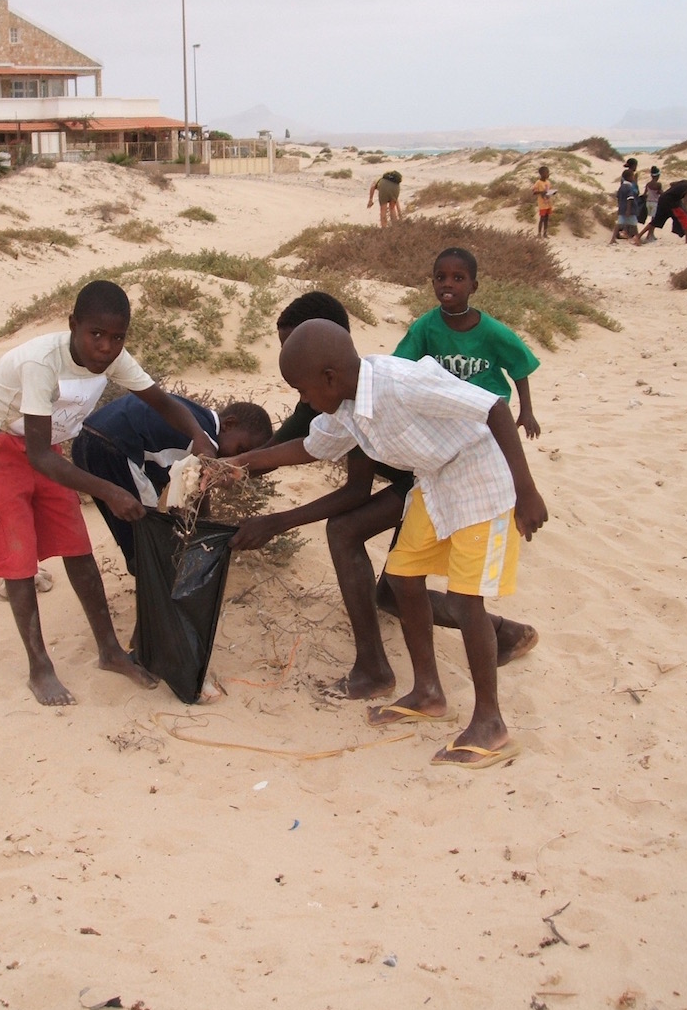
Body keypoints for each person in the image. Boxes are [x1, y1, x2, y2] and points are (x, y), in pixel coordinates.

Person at [228, 321, 548, 768]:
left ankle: (490, 725)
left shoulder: (400, 382)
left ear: (329, 377)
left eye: (302, 390)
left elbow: (493, 407)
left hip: (482, 479)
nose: (303, 400)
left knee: (465, 600)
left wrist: (526, 490)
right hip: (435, 482)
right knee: (402, 579)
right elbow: (310, 446)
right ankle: (428, 693)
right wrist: (239, 463)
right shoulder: (347, 407)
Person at [0, 279, 217, 706]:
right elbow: (38, 457)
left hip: (43, 444)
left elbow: (162, 403)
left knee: (76, 546)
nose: (105, 346)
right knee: (18, 557)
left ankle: (110, 651)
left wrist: (200, 437)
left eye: (117, 337)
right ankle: (39, 666)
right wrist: (111, 492)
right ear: (73, 326)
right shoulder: (42, 364)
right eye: (95, 334)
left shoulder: (113, 358)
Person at [72, 393, 272, 572]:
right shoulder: (206, 439)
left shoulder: (194, 416)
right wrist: (204, 528)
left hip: (85, 439)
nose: (235, 460)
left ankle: (145, 566)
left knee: (131, 527)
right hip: (116, 448)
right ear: (229, 424)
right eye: (240, 450)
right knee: (149, 535)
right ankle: (153, 577)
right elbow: (199, 488)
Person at [635, 173, 687, 244]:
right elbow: (685, 205)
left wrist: (674, 193)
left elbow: (672, 184)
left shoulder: (685, 182)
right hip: (670, 203)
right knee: (684, 218)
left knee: (656, 221)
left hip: (663, 199)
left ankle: (638, 236)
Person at [610, 167, 639, 245]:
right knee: (634, 225)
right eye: (632, 176)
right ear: (629, 177)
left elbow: (618, 197)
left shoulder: (622, 186)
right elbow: (630, 199)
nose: (633, 178)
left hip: (622, 209)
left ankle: (613, 239)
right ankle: (637, 240)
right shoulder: (629, 187)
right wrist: (628, 210)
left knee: (619, 224)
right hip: (629, 210)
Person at [532, 166, 554, 238]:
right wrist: (541, 192)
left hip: (548, 203)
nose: (548, 174)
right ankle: (539, 234)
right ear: (541, 174)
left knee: (547, 219)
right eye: (546, 173)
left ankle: (545, 233)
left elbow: (549, 190)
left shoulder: (548, 182)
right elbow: (534, 192)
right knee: (542, 218)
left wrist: (552, 192)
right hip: (542, 204)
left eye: (548, 172)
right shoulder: (538, 182)